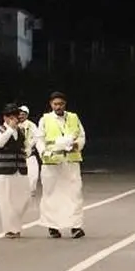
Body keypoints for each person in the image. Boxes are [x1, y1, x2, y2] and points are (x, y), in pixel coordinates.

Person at [38, 91, 86, 238]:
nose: (58, 107)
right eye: (55, 104)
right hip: (52, 163)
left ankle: (75, 226)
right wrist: (43, 152)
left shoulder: (73, 117)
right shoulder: (45, 119)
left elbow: (82, 136)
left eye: (61, 104)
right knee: (52, 195)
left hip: (71, 162)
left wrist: (77, 145)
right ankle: (53, 226)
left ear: (65, 104)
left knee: (74, 194)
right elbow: (39, 139)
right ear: (51, 105)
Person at [0, 103, 34, 237]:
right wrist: (9, 128)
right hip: (4, 170)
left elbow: (26, 146)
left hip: (20, 170)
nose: (15, 119)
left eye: (16, 116)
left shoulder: (20, 131)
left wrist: (27, 151)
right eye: (12, 116)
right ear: (5, 117)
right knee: (6, 202)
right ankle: (10, 229)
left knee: (25, 199)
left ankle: (15, 225)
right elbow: (0, 143)